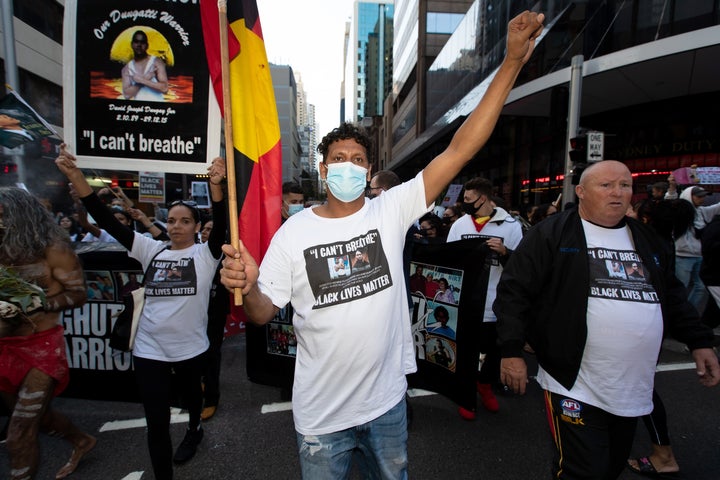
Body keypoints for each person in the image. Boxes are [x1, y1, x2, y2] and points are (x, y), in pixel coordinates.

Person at [218, 11, 545, 478]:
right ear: (324, 170)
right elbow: (261, 313)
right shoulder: (293, 233)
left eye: (358, 159)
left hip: (386, 407)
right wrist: (248, 286)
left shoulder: (390, 210)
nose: (348, 166)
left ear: (369, 173)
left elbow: (460, 149)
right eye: (338, 159)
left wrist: (511, 63)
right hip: (320, 418)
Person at [494, 160, 719, 480]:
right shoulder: (553, 233)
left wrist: (699, 341)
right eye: (606, 185)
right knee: (582, 471)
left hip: (631, 385)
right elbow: (514, 292)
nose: (618, 193)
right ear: (581, 192)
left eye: (625, 185)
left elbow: (671, 293)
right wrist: (511, 350)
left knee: (611, 466)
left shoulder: (646, 239)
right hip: (572, 381)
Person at [56, 146, 227, 480]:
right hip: (149, 350)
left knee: (194, 397)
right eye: (173, 220)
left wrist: (216, 185)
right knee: (157, 423)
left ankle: (194, 429)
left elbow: (221, 222)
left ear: (196, 227)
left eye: (185, 221)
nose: (177, 226)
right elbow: (106, 219)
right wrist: (76, 176)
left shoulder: (206, 255)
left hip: (191, 348)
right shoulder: (151, 249)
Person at [0, 187, 96, 480]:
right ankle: (81, 439)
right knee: (34, 417)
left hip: (41, 348)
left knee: (18, 431)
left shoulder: (54, 249)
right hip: (5, 347)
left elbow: (78, 294)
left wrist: (40, 302)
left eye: (3, 215)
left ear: (21, 215)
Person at [446, 176, 523, 419]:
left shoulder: (510, 226)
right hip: (467, 301)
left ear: (483, 198)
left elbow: (522, 265)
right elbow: (449, 258)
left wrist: (504, 252)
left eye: (468, 199)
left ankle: (485, 385)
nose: (464, 203)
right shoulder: (460, 225)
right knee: (467, 351)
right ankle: (467, 396)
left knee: (492, 351)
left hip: (495, 302)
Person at [665, 182, 720, 312]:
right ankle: (678, 313)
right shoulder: (678, 211)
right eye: (699, 196)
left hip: (699, 256)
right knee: (681, 287)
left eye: (703, 196)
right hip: (682, 256)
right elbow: (669, 201)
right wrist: (672, 187)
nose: (702, 199)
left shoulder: (702, 212)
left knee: (701, 288)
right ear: (690, 196)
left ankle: (689, 312)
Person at [199, 217, 230, 421]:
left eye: (212, 229)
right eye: (205, 229)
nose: (206, 232)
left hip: (214, 314)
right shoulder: (192, 252)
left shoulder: (222, 257)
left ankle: (211, 398)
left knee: (211, 354)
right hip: (192, 315)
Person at [121, 30, 168, 102]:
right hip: (138, 109)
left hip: (158, 109)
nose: (139, 45)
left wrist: (142, 80)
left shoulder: (156, 62)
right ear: (132, 44)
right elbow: (127, 95)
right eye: (136, 42)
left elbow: (165, 89)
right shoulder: (127, 69)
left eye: (142, 42)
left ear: (147, 45)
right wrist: (143, 80)